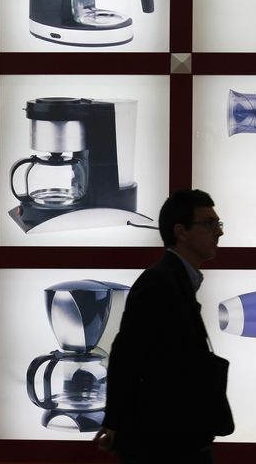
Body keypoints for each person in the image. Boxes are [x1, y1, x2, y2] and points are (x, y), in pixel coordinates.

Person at [94, 189, 232, 464]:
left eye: (218, 224)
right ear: (181, 231)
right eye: (209, 224)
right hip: (164, 447)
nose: (219, 233)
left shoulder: (172, 280)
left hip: (173, 440)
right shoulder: (158, 284)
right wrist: (115, 422)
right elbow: (126, 356)